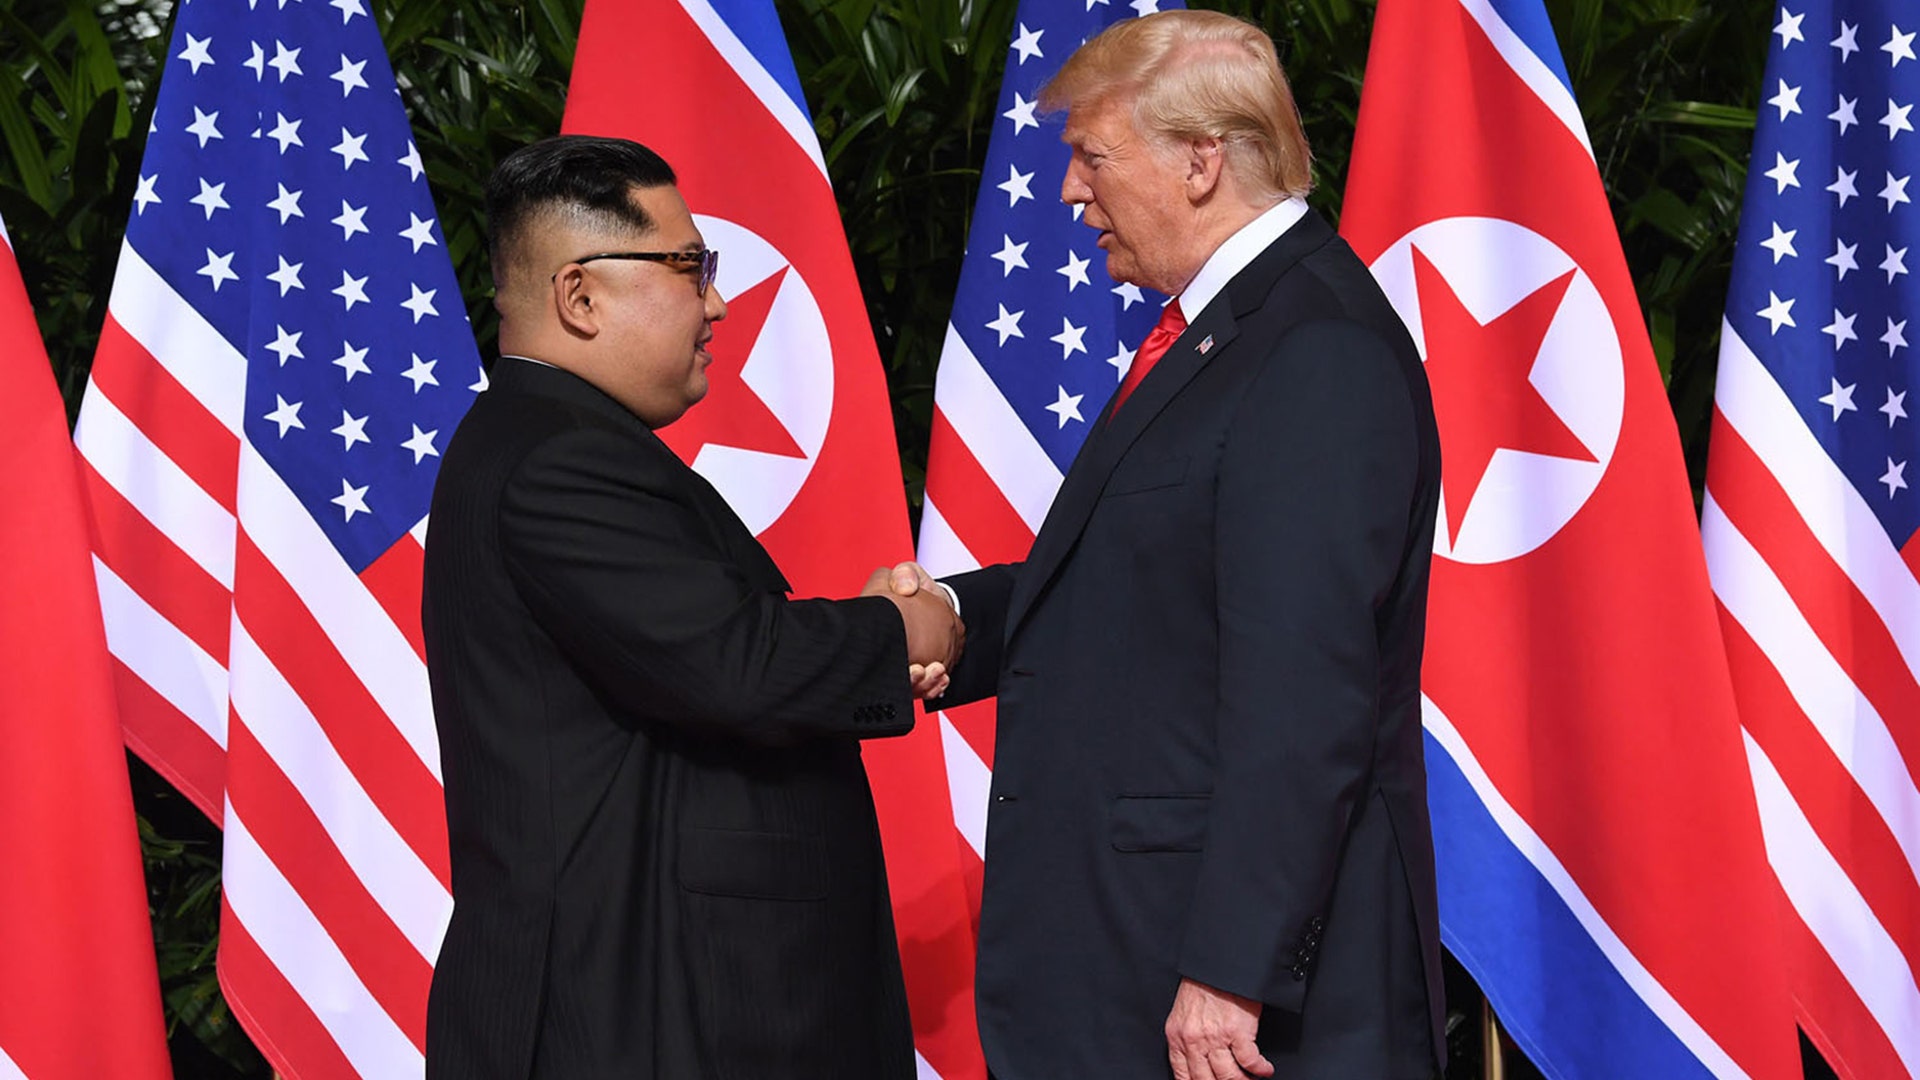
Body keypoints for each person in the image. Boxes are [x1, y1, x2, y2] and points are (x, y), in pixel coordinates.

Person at [891, 11, 1445, 1079]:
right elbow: (1146, 589)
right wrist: (954, 618)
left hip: (1232, 1007)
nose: (1067, 191)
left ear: (1201, 161)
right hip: (1137, 962)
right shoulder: (1228, 329)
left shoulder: (1314, 345)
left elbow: (1305, 692)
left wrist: (1233, 969)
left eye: (1093, 156)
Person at [421, 134, 959, 1080]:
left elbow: (704, 654)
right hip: (629, 1019)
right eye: (689, 266)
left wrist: (956, 614)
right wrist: (906, 627)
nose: (715, 301)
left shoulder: (560, 439)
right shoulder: (557, 459)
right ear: (579, 297)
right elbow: (737, 668)